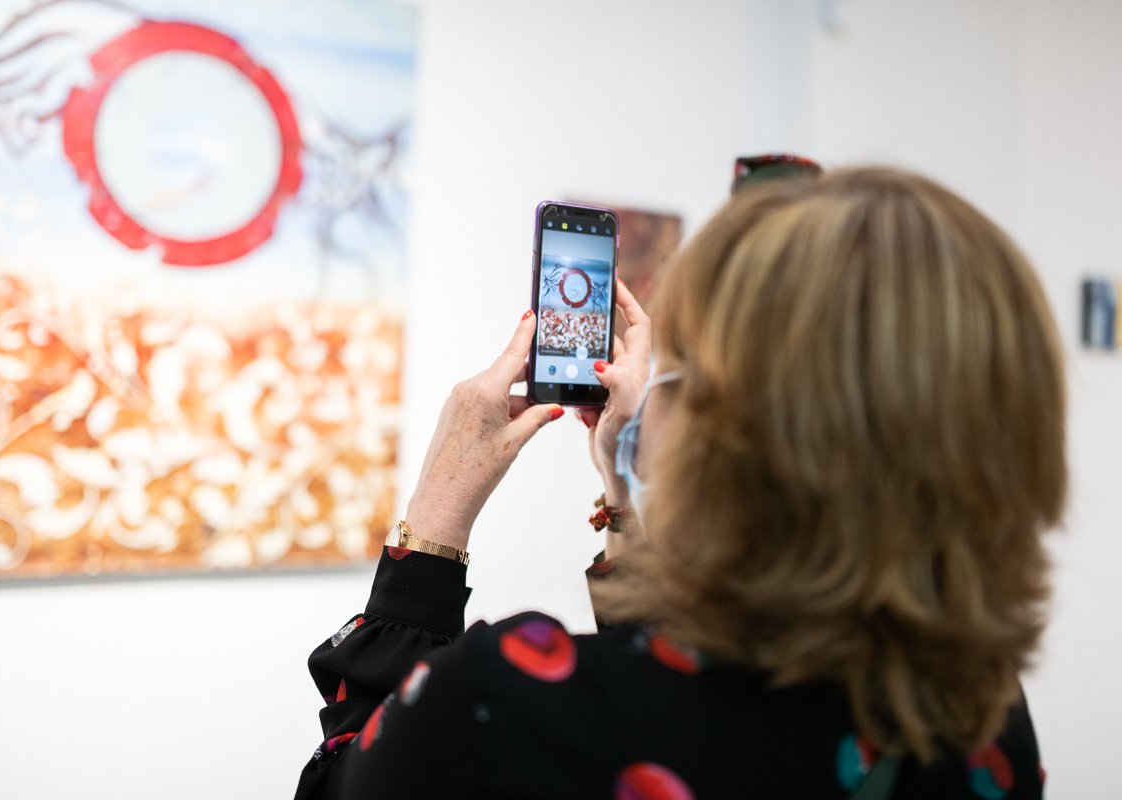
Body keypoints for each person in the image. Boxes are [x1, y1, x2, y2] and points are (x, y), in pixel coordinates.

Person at [293, 167, 1063, 800]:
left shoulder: (502, 707)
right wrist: (624, 496)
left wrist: (438, 512)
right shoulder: (985, 727)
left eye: (678, 370)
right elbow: (673, 674)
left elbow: (345, 780)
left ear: (735, 436)